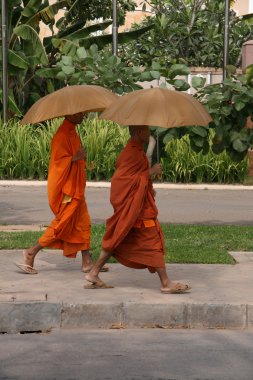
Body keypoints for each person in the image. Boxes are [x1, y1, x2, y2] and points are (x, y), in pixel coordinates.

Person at [85, 125, 191, 294]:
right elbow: (122, 181)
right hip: (137, 209)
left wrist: (148, 187)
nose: (148, 134)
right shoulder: (131, 152)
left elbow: (137, 178)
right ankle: (165, 282)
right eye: (146, 130)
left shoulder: (137, 150)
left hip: (139, 204)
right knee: (152, 241)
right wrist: (150, 171)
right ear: (138, 132)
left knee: (118, 238)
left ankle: (93, 273)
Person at [15, 112, 107, 274]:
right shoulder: (61, 134)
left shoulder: (72, 132)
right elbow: (57, 163)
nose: (84, 116)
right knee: (61, 224)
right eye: (80, 113)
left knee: (83, 223)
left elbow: (75, 157)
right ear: (70, 114)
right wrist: (73, 158)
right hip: (68, 191)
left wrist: (80, 157)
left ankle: (86, 262)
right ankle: (31, 252)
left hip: (76, 188)